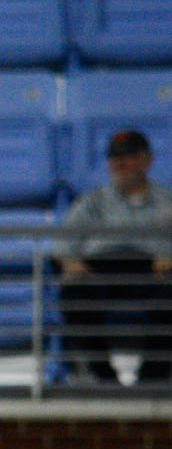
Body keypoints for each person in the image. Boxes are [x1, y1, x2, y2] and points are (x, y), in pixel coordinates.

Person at [54, 129, 172, 386]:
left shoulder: (167, 200)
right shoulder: (94, 200)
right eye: (114, 157)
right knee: (74, 293)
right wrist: (69, 261)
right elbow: (62, 243)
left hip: (154, 271)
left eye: (128, 156)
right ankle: (103, 377)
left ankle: (152, 377)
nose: (119, 163)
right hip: (101, 271)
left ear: (147, 159)